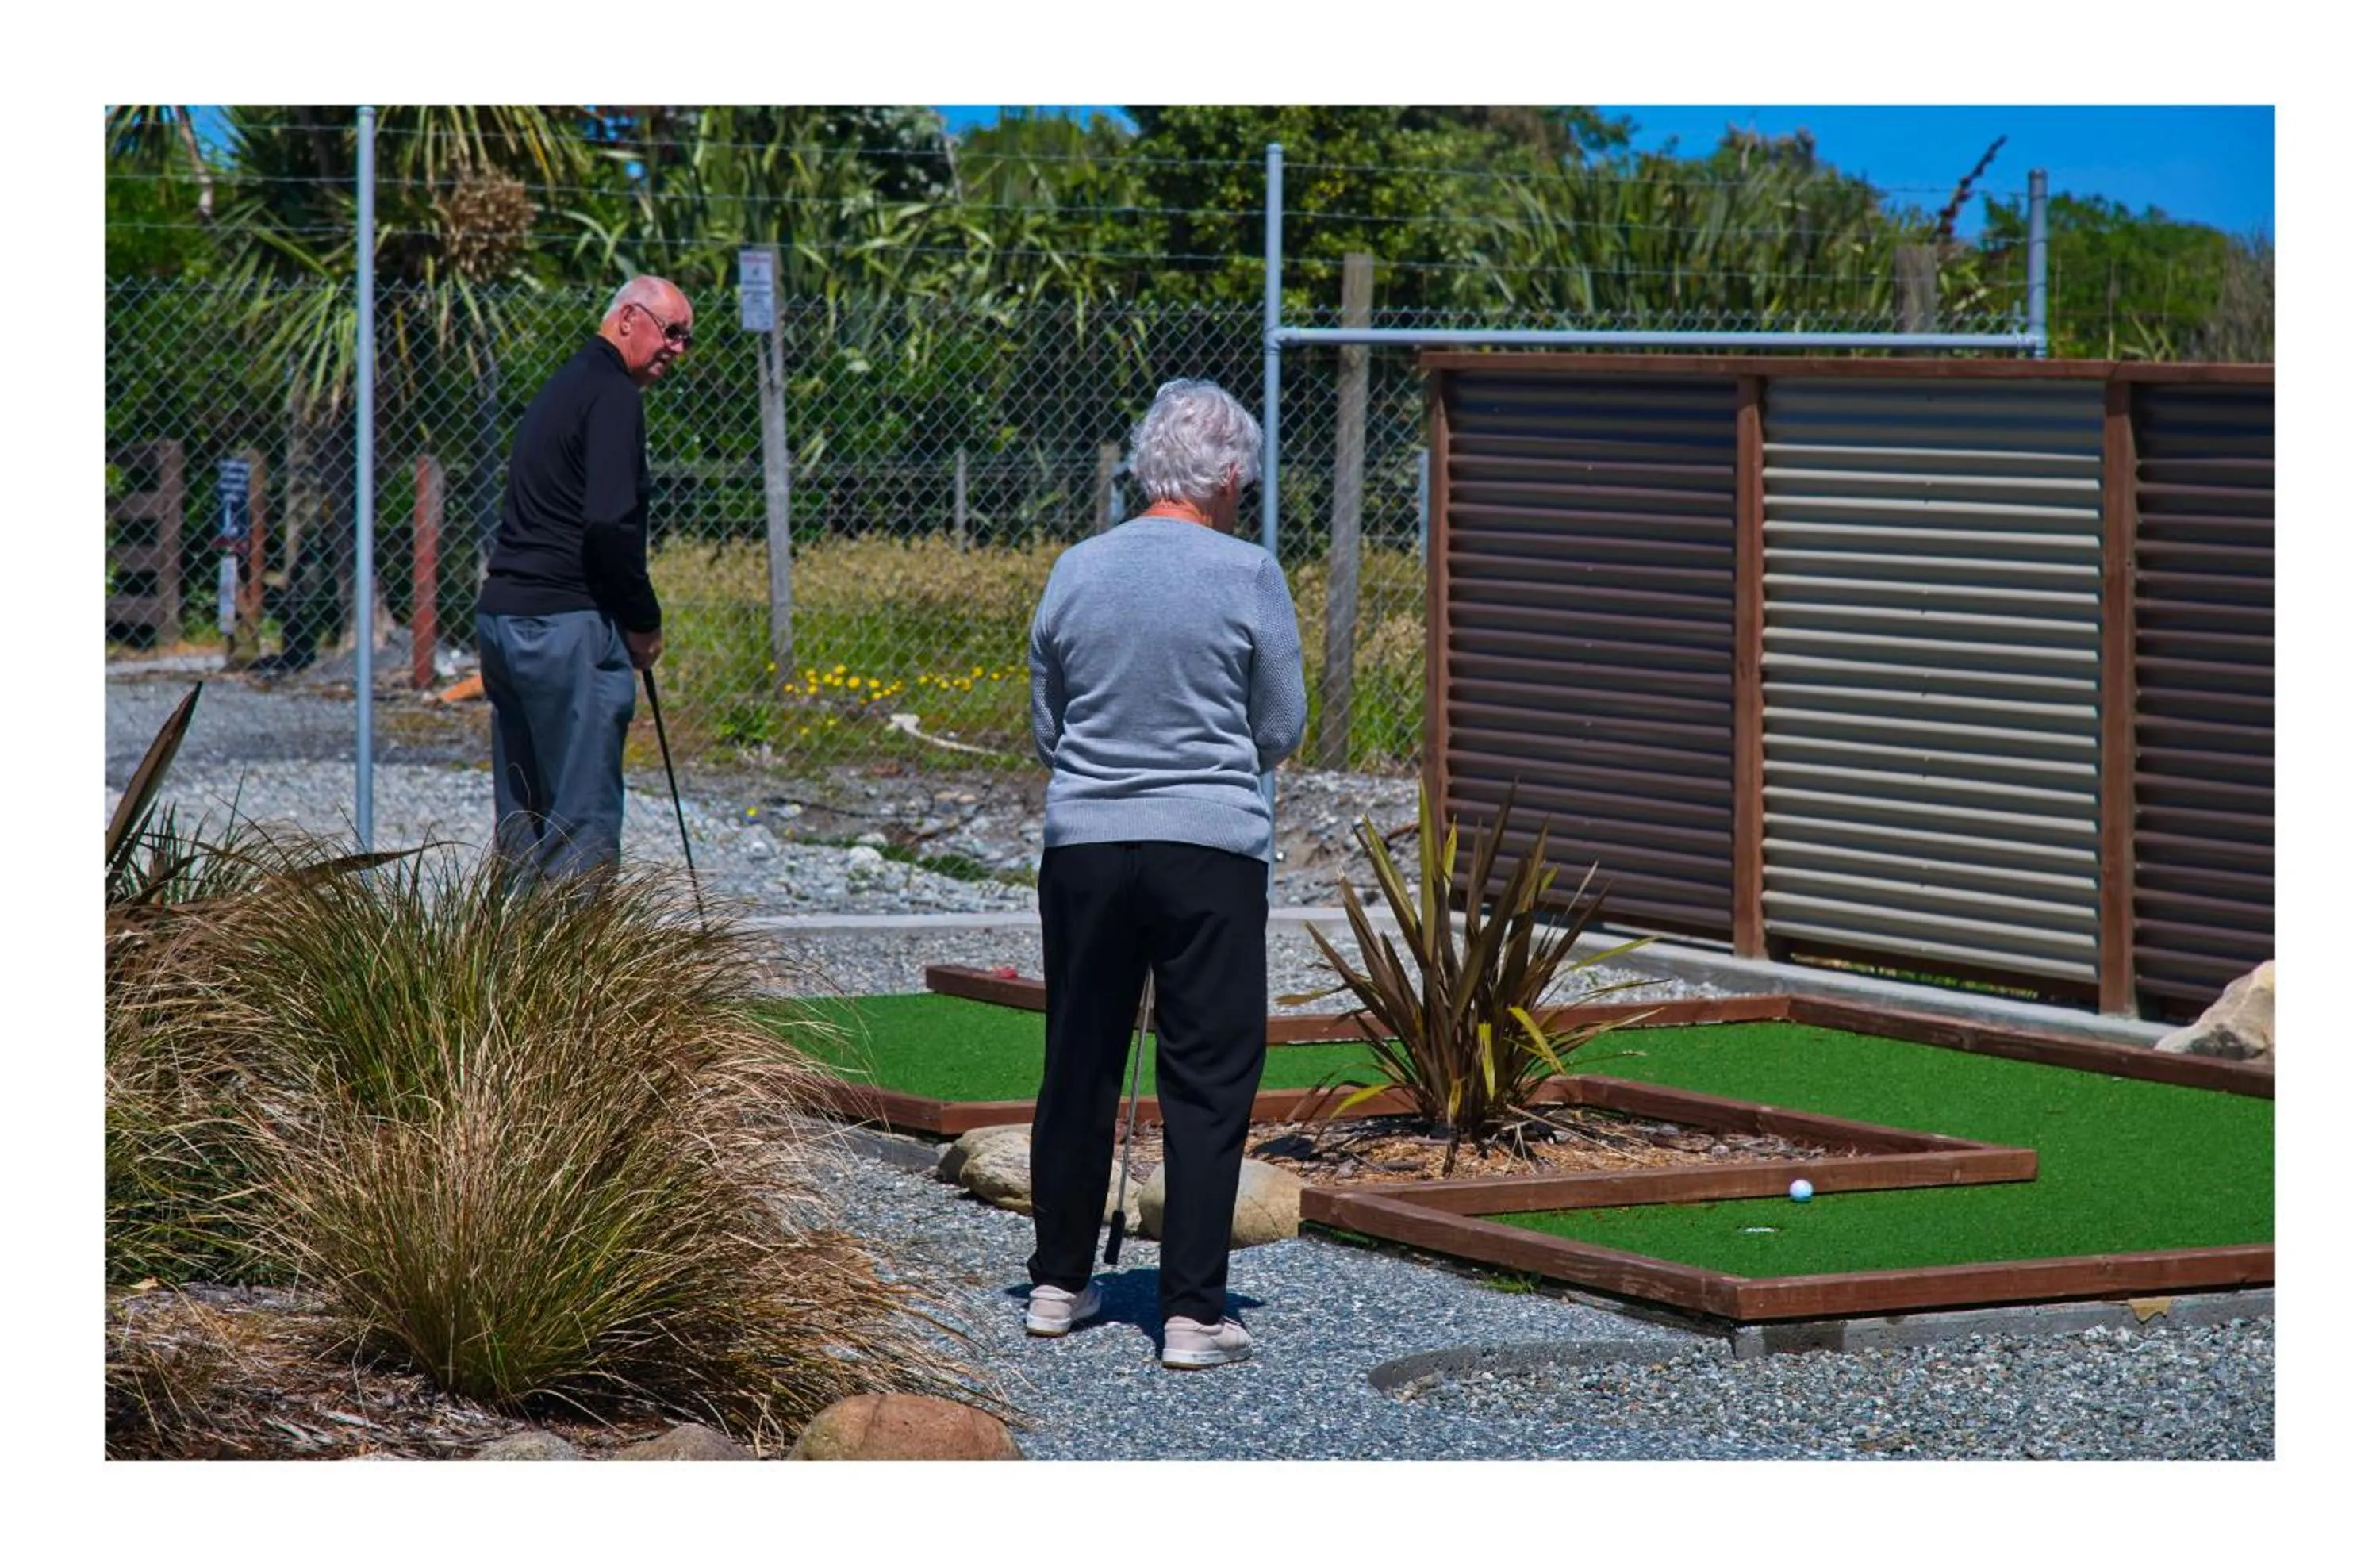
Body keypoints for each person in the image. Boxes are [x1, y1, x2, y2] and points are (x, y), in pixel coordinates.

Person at [1019, 378, 1307, 1370]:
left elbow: (1048, 726)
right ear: (1228, 477)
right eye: (1248, 483)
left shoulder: (1075, 569)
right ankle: (1191, 1311)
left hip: (1087, 844)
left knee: (1080, 1057)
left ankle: (1057, 1283)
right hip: (1209, 847)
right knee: (1207, 1072)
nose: (1247, 498)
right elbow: (1279, 726)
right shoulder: (1248, 572)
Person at [473, 276, 692, 881]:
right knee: (581, 827)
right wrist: (643, 621)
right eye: (671, 332)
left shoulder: (562, 386)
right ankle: (574, 970)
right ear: (627, 318)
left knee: (526, 816)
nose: (677, 348)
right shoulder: (614, 395)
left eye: (686, 338)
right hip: (566, 624)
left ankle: (508, 968)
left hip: (505, 622)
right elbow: (609, 523)